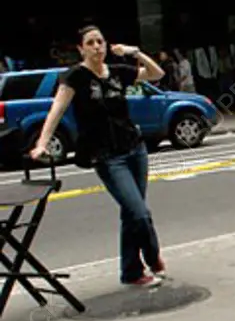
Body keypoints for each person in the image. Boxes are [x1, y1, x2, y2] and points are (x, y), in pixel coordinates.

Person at [29, 26, 168, 287]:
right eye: (90, 43)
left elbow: (156, 73)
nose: (96, 47)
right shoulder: (75, 77)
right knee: (138, 212)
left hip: (134, 149)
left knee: (131, 212)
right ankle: (153, 256)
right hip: (106, 156)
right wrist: (42, 143)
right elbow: (57, 109)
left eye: (100, 41)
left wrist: (135, 52)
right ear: (81, 49)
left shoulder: (117, 72)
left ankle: (131, 272)